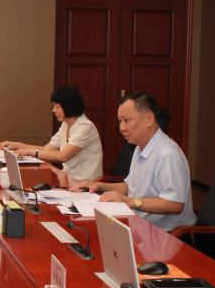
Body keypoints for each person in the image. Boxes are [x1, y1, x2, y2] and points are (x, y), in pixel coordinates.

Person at [70, 92, 195, 231]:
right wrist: (97, 185)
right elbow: (131, 187)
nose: (122, 128)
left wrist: (129, 202)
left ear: (149, 118)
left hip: (167, 234)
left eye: (126, 120)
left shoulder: (167, 154)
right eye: (119, 121)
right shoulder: (139, 148)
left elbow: (174, 204)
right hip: (139, 225)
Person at [0, 85, 103, 181]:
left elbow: (63, 156)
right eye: (54, 106)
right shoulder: (65, 125)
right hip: (68, 179)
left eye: (57, 107)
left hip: (86, 184)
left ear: (69, 105)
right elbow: (46, 149)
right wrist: (18, 145)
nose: (54, 110)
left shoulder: (85, 127)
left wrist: (31, 152)